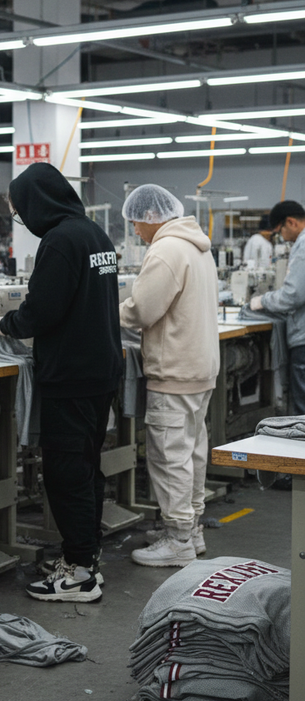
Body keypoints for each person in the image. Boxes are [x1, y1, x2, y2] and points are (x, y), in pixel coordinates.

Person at [0, 162, 123, 603]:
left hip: (72, 375)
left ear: (37, 202)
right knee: (85, 469)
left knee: (66, 474)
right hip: (100, 370)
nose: (22, 219)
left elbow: (41, 311)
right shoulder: (95, 235)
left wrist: (1, 324)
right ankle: (85, 559)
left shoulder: (60, 241)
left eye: (20, 211)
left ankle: (78, 574)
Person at [120, 184, 219, 567]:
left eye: (135, 223)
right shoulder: (198, 247)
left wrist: (106, 310)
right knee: (192, 452)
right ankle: (191, 530)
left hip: (174, 370)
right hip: (199, 368)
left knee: (169, 457)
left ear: (150, 216)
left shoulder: (165, 250)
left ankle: (177, 541)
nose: (135, 231)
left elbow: (142, 311)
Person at [251, 200, 305, 414]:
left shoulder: (303, 244)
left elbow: (293, 295)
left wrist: (262, 301)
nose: (281, 237)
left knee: (302, 415)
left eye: (280, 230)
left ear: (290, 222)